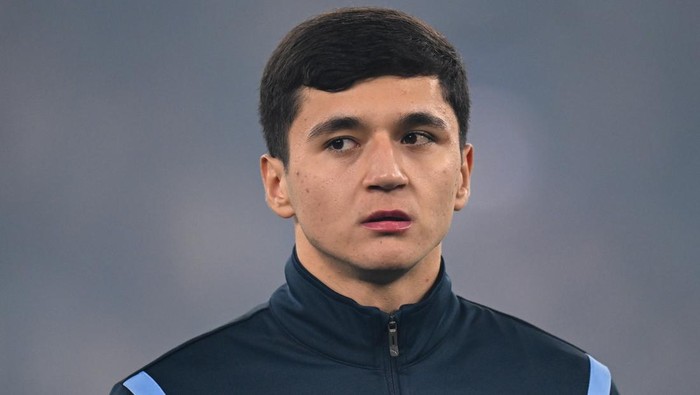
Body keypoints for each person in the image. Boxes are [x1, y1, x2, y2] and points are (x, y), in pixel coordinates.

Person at [111, 7, 619, 394]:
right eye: (340, 142)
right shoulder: (168, 392)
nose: (387, 174)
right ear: (277, 184)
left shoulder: (574, 386)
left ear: (463, 174)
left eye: (417, 136)